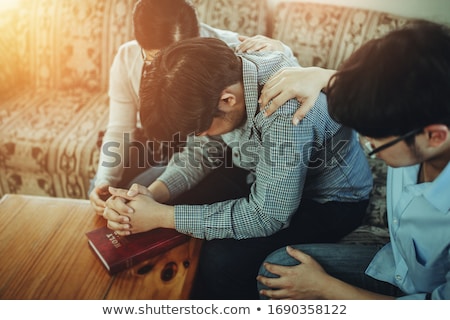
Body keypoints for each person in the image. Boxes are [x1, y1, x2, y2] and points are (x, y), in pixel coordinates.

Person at [102, 36, 373, 299]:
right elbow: (203, 150)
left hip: (330, 201)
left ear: (227, 100)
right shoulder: (221, 71)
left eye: (200, 129)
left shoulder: (285, 113)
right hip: (258, 165)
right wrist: (154, 195)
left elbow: (268, 215)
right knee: (161, 191)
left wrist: (161, 216)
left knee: (220, 261)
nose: (200, 136)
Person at [257, 20, 450, 300]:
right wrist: (319, 75)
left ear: (434, 137)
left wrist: (325, 287)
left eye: (375, 141)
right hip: (397, 264)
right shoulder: (419, 111)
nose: (366, 142)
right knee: (279, 272)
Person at [89, 0, 296, 214]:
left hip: (208, 144)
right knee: (115, 194)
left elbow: (285, 72)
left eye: (180, 59)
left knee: (154, 199)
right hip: (163, 139)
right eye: (156, 59)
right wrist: (105, 180)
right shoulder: (127, 57)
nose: (167, 68)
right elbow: (120, 129)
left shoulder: (227, 53)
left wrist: (285, 53)